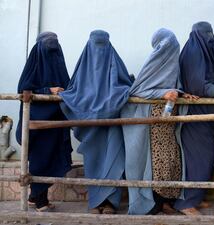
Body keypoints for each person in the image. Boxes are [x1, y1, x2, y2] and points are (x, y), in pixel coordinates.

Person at [121, 28, 195, 215]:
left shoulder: (174, 63)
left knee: (171, 160)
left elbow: (172, 85)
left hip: (169, 121)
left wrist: (179, 93)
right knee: (156, 162)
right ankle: (153, 203)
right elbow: (137, 91)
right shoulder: (153, 62)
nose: (173, 48)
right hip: (154, 121)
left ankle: (166, 201)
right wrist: (161, 93)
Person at [60, 30, 132, 214]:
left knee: (114, 160)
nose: (99, 51)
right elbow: (72, 91)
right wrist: (63, 95)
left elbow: (126, 86)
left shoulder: (114, 62)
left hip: (111, 126)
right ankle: (95, 202)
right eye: (96, 45)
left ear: (108, 46)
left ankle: (111, 203)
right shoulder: (82, 68)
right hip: (90, 128)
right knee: (94, 161)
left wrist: (116, 95)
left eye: (102, 45)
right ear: (89, 46)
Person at [173, 21, 214, 216]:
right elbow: (198, 85)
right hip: (195, 116)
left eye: (211, 32)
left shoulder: (203, 53)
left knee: (206, 157)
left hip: (206, 114)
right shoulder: (194, 52)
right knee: (197, 159)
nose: (210, 37)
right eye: (206, 33)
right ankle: (185, 203)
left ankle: (195, 197)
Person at [16, 32, 73, 212]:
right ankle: (40, 201)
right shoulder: (34, 63)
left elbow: (68, 86)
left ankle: (34, 197)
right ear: (39, 46)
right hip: (37, 123)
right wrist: (49, 90)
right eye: (48, 45)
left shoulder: (58, 60)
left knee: (52, 159)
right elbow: (24, 89)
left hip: (55, 123)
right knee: (40, 161)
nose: (52, 49)